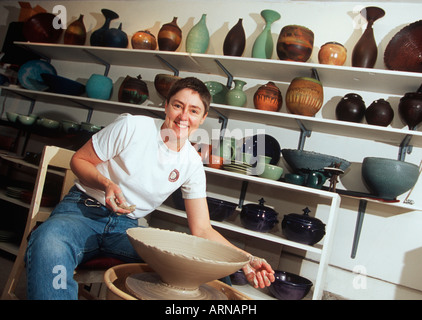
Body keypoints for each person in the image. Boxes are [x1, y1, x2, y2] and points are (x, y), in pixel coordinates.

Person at [25, 77, 275, 299]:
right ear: (166, 105)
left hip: (127, 230)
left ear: (202, 117)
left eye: (193, 110)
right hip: (81, 212)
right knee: (50, 242)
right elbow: (79, 160)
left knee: (207, 270)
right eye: (178, 105)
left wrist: (246, 260)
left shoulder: (192, 163)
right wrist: (106, 183)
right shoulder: (133, 126)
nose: (183, 116)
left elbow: (202, 229)